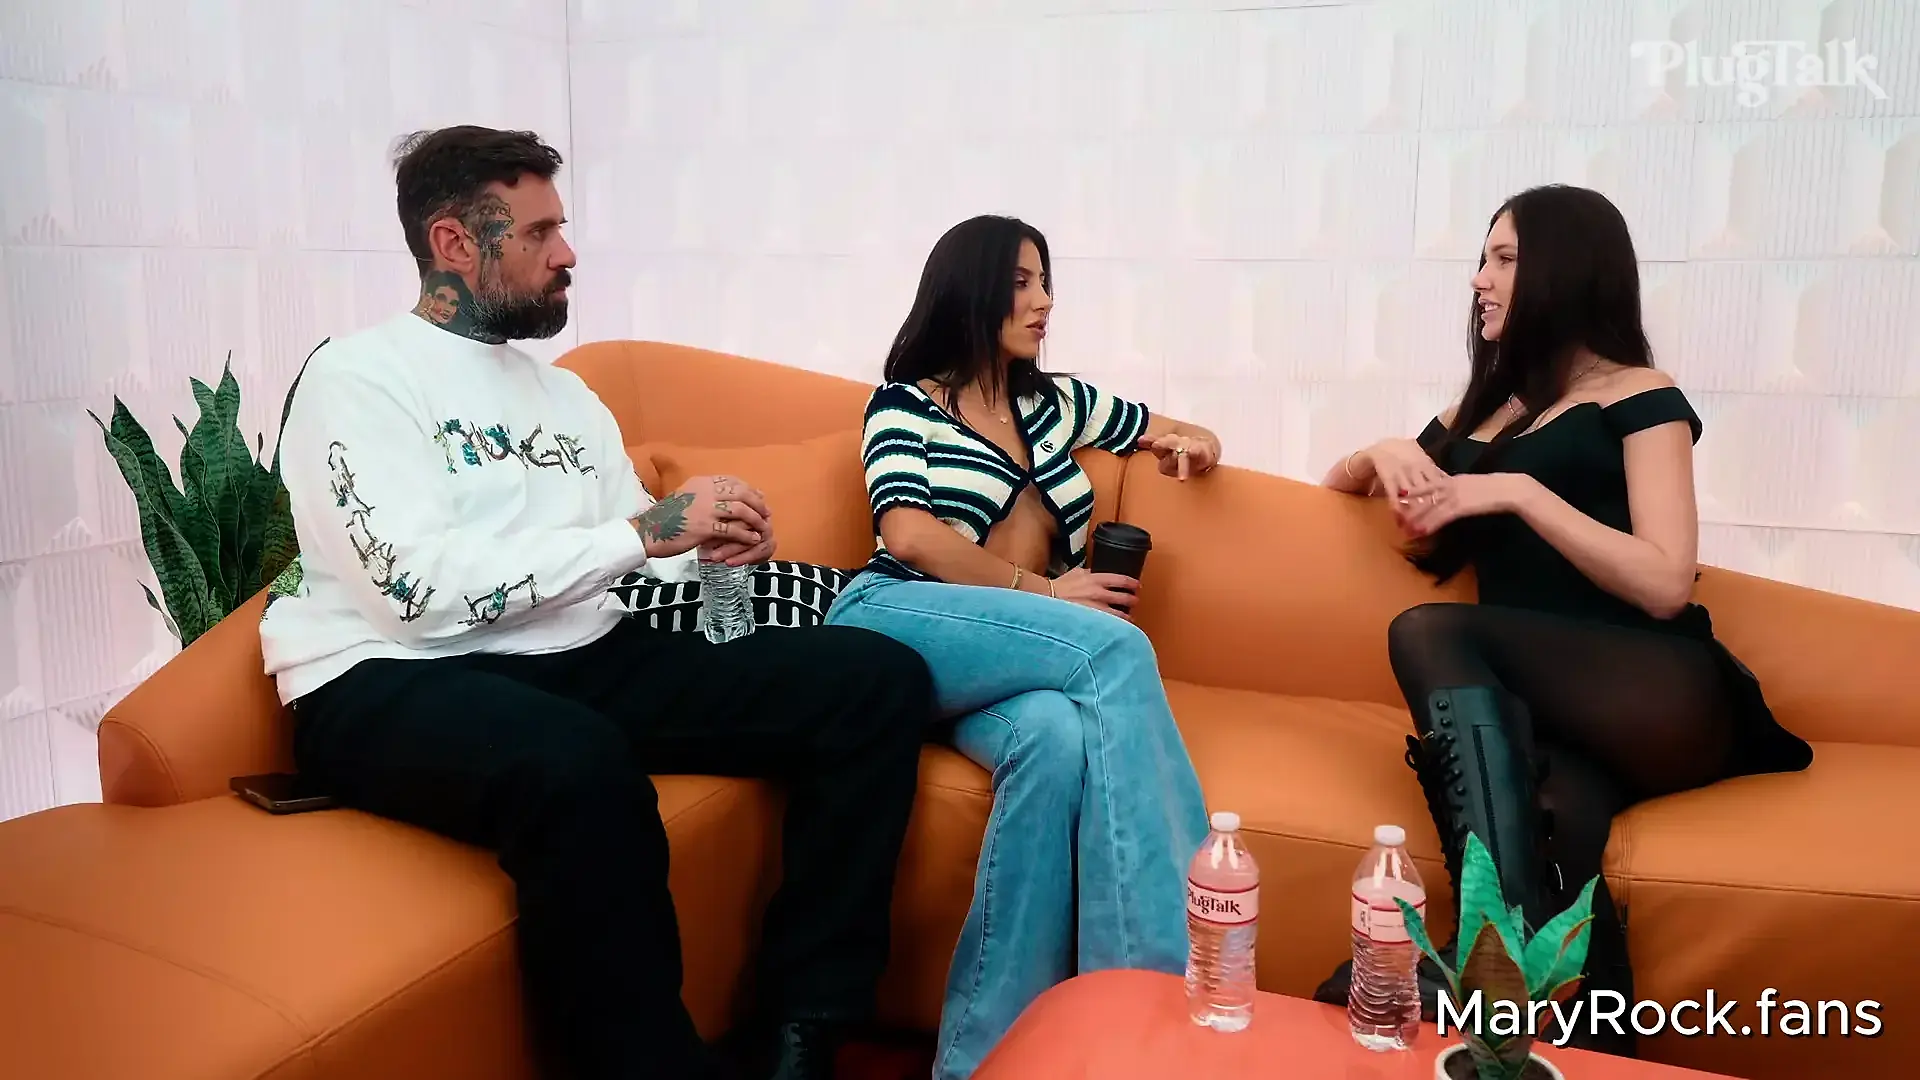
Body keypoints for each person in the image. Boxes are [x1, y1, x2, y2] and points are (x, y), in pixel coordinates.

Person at [258, 125, 936, 1080]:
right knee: (578, 766)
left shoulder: (567, 402)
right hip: (386, 676)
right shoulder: (357, 378)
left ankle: (804, 1033)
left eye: (560, 227)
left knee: (875, 680)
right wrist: (646, 531)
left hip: (575, 654)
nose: (567, 253)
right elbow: (414, 597)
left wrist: (717, 561)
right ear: (454, 242)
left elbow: (636, 571)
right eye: (539, 232)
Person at [1310, 184, 1814, 1054]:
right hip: (1552, 721)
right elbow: (1333, 492)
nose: (1480, 279)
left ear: (1567, 271)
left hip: (1657, 690)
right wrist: (1385, 450)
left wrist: (1518, 492)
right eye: (1482, 259)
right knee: (1557, 826)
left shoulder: (1640, 394)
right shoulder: (1487, 411)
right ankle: (1592, 1041)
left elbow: (1667, 581)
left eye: (1504, 259)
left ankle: (1490, 941)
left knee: (1429, 630)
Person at [822, 214, 1220, 1079]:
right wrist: (1048, 592)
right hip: (897, 619)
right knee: (1112, 651)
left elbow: (1175, 427)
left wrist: (1194, 444)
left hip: (1008, 659)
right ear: (969, 290)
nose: (1043, 301)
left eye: (1046, 283)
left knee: (1055, 737)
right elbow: (910, 533)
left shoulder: (1055, 403)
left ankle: (982, 1059)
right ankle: (1156, 1005)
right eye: (1021, 282)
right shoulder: (905, 404)